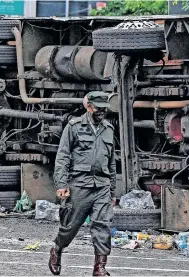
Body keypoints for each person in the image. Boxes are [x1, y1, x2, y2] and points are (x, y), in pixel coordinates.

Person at [49, 91, 116, 276]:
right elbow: (62, 156)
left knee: (102, 224)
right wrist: (61, 184)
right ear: (88, 106)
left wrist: (112, 191)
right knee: (70, 225)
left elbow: (111, 162)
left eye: (104, 109)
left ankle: (99, 267)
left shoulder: (109, 129)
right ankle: (57, 248)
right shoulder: (74, 126)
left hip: (101, 185)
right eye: (98, 108)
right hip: (80, 184)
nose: (101, 112)